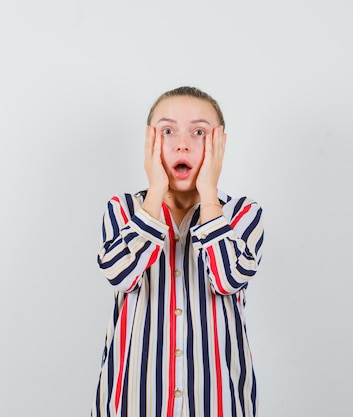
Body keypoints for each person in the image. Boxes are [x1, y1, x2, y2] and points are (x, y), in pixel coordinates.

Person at [91, 86, 265, 417]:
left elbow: (228, 278)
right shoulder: (123, 209)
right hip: (132, 404)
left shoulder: (243, 215)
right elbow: (120, 273)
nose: (182, 143)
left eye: (199, 132)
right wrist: (155, 190)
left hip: (219, 405)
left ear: (219, 144)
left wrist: (209, 195)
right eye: (168, 131)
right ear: (149, 141)